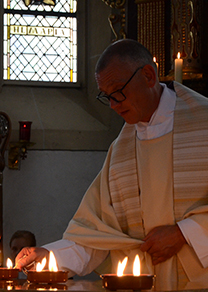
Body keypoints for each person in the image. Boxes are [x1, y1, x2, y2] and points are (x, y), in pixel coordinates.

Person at [15, 39, 208, 290]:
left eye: (118, 92)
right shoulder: (121, 149)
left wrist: (185, 233)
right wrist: (48, 255)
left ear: (149, 76)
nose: (114, 106)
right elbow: (96, 233)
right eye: (107, 97)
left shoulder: (203, 123)